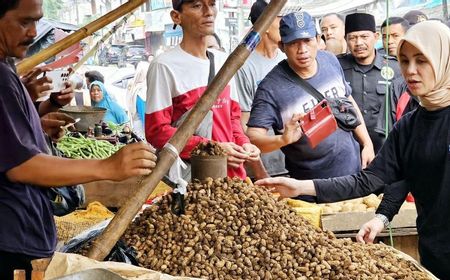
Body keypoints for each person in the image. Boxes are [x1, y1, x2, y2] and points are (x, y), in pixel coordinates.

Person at [255, 21, 450, 279]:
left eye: (421, 61)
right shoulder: (410, 125)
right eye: (404, 61)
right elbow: (374, 178)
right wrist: (301, 187)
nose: (410, 71)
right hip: (435, 253)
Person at [0, 1, 157, 279]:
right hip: (11, 240)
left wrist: (41, 116)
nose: (33, 32)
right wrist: (107, 167)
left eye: (36, 21)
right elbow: (21, 166)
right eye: (24, 22)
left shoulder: (7, 69)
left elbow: (8, 141)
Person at [246, 11, 374, 191]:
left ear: (317, 39)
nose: (302, 50)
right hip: (310, 188)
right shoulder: (270, 88)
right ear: (282, 46)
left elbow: (347, 99)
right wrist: (282, 139)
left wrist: (366, 144)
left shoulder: (329, 60)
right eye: (293, 43)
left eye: (307, 41)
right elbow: (253, 137)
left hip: (353, 175)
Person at [145, 0, 260, 179]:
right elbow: (157, 132)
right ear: (176, 16)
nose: (208, 12)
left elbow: (233, 119)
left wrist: (244, 143)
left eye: (212, 4)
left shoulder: (226, 62)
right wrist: (213, 149)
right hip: (192, 180)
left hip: (233, 178)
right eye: (197, 5)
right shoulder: (164, 66)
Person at [235, 0, 287, 179]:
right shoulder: (244, 66)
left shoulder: (286, 59)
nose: (285, 24)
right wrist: (259, 169)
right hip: (265, 166)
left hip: (293, 161)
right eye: (280, 19)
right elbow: (243, 122)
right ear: (264, 25)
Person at [338, 13, 402, 153]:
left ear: (376, 36)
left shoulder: (396, 68)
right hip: (349, 149)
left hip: (386, 148)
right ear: (345, 40)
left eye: (364, 36)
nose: (359, 43)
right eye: (353, 38)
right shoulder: (337, 67)